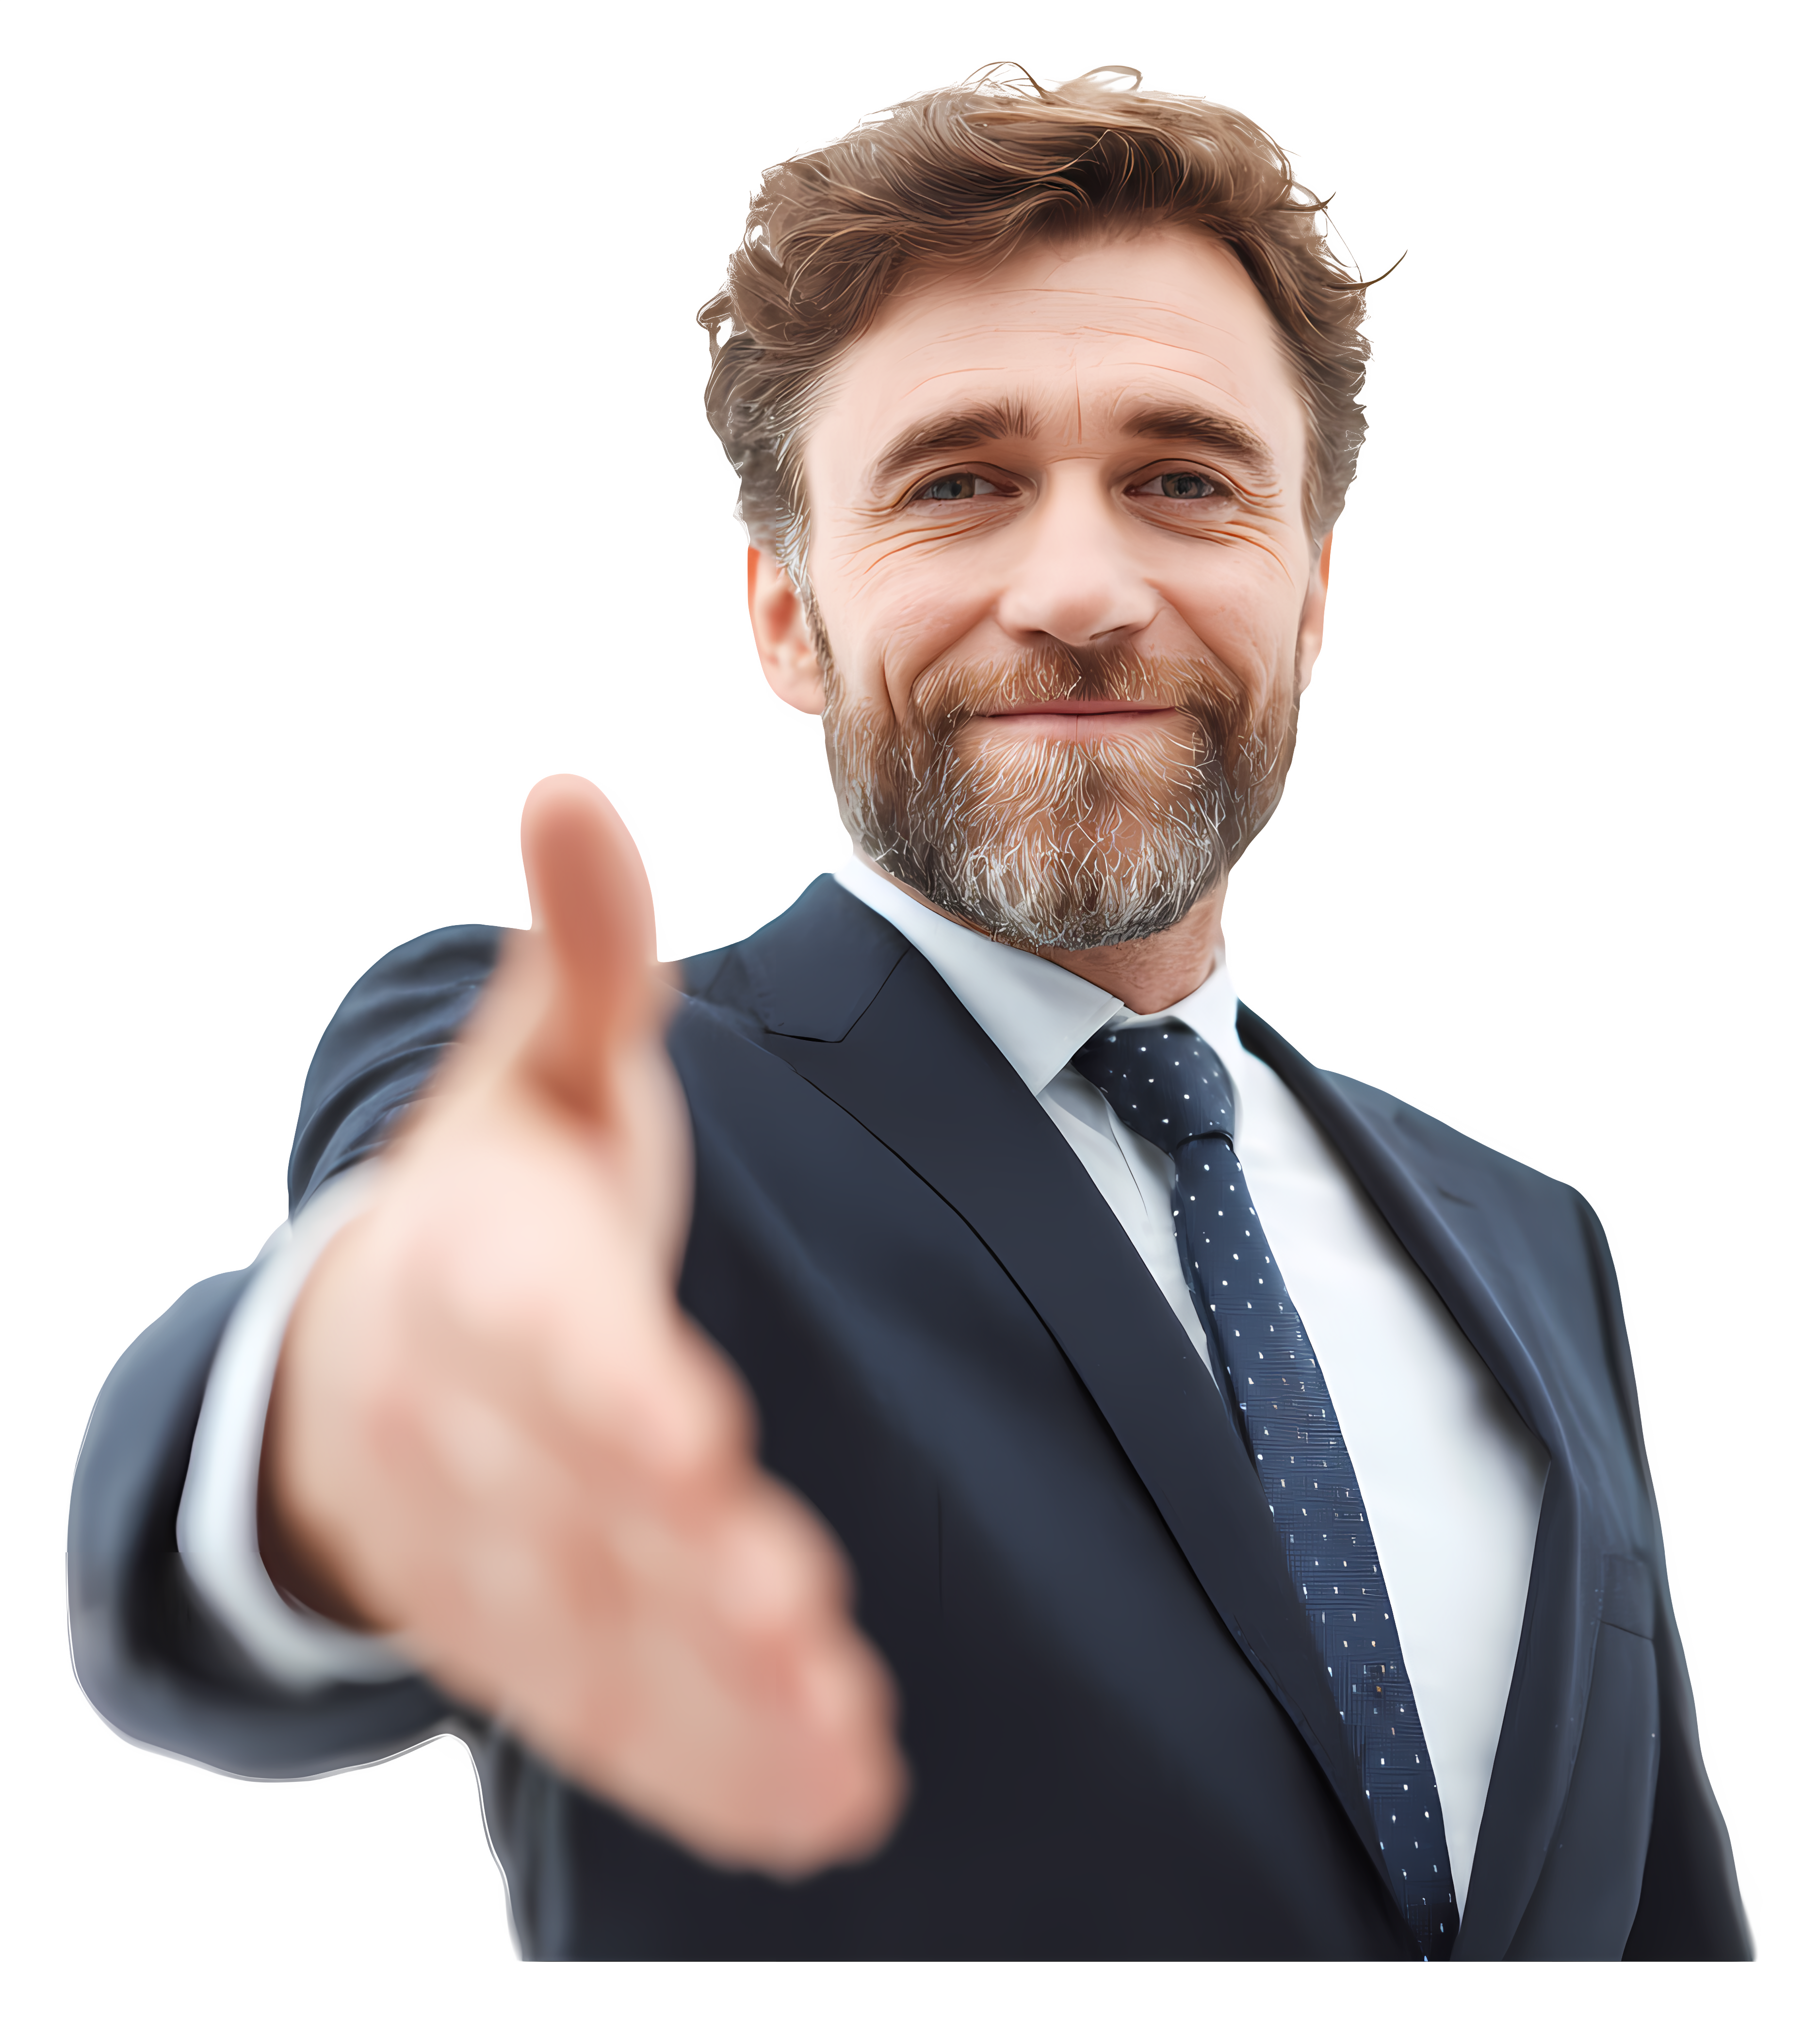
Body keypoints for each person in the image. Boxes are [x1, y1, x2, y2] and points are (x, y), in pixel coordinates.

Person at [60, 61, 1755, 1960]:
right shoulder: (596, 1083)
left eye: (1181, 480)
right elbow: (348, 1348)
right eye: (957, 483)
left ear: (1310, 599)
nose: (1083, 588)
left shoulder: (1530, 1235)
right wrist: (341, 1425)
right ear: (784, 614)